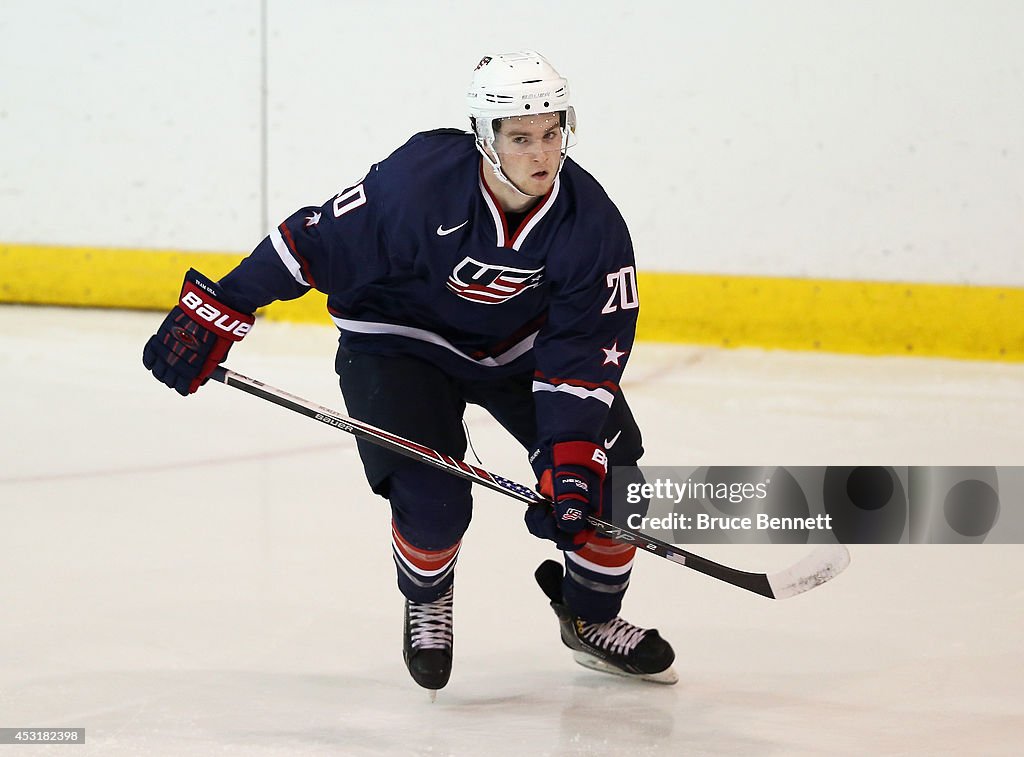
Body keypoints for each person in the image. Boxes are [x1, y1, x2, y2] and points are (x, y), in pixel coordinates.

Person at [142, 51, 677, 690]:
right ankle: (427, 596)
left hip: (514, 351)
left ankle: (589, 620)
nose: (542, 154)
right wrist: (220, 308)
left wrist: (570, 461)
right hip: (399, 342)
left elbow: (585, 354)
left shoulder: (592, 224)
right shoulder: (420, 181)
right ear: (487, 136)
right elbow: (315, 242)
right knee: (433, 501)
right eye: (521, 137)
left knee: (611, 492)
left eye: (553, 133)